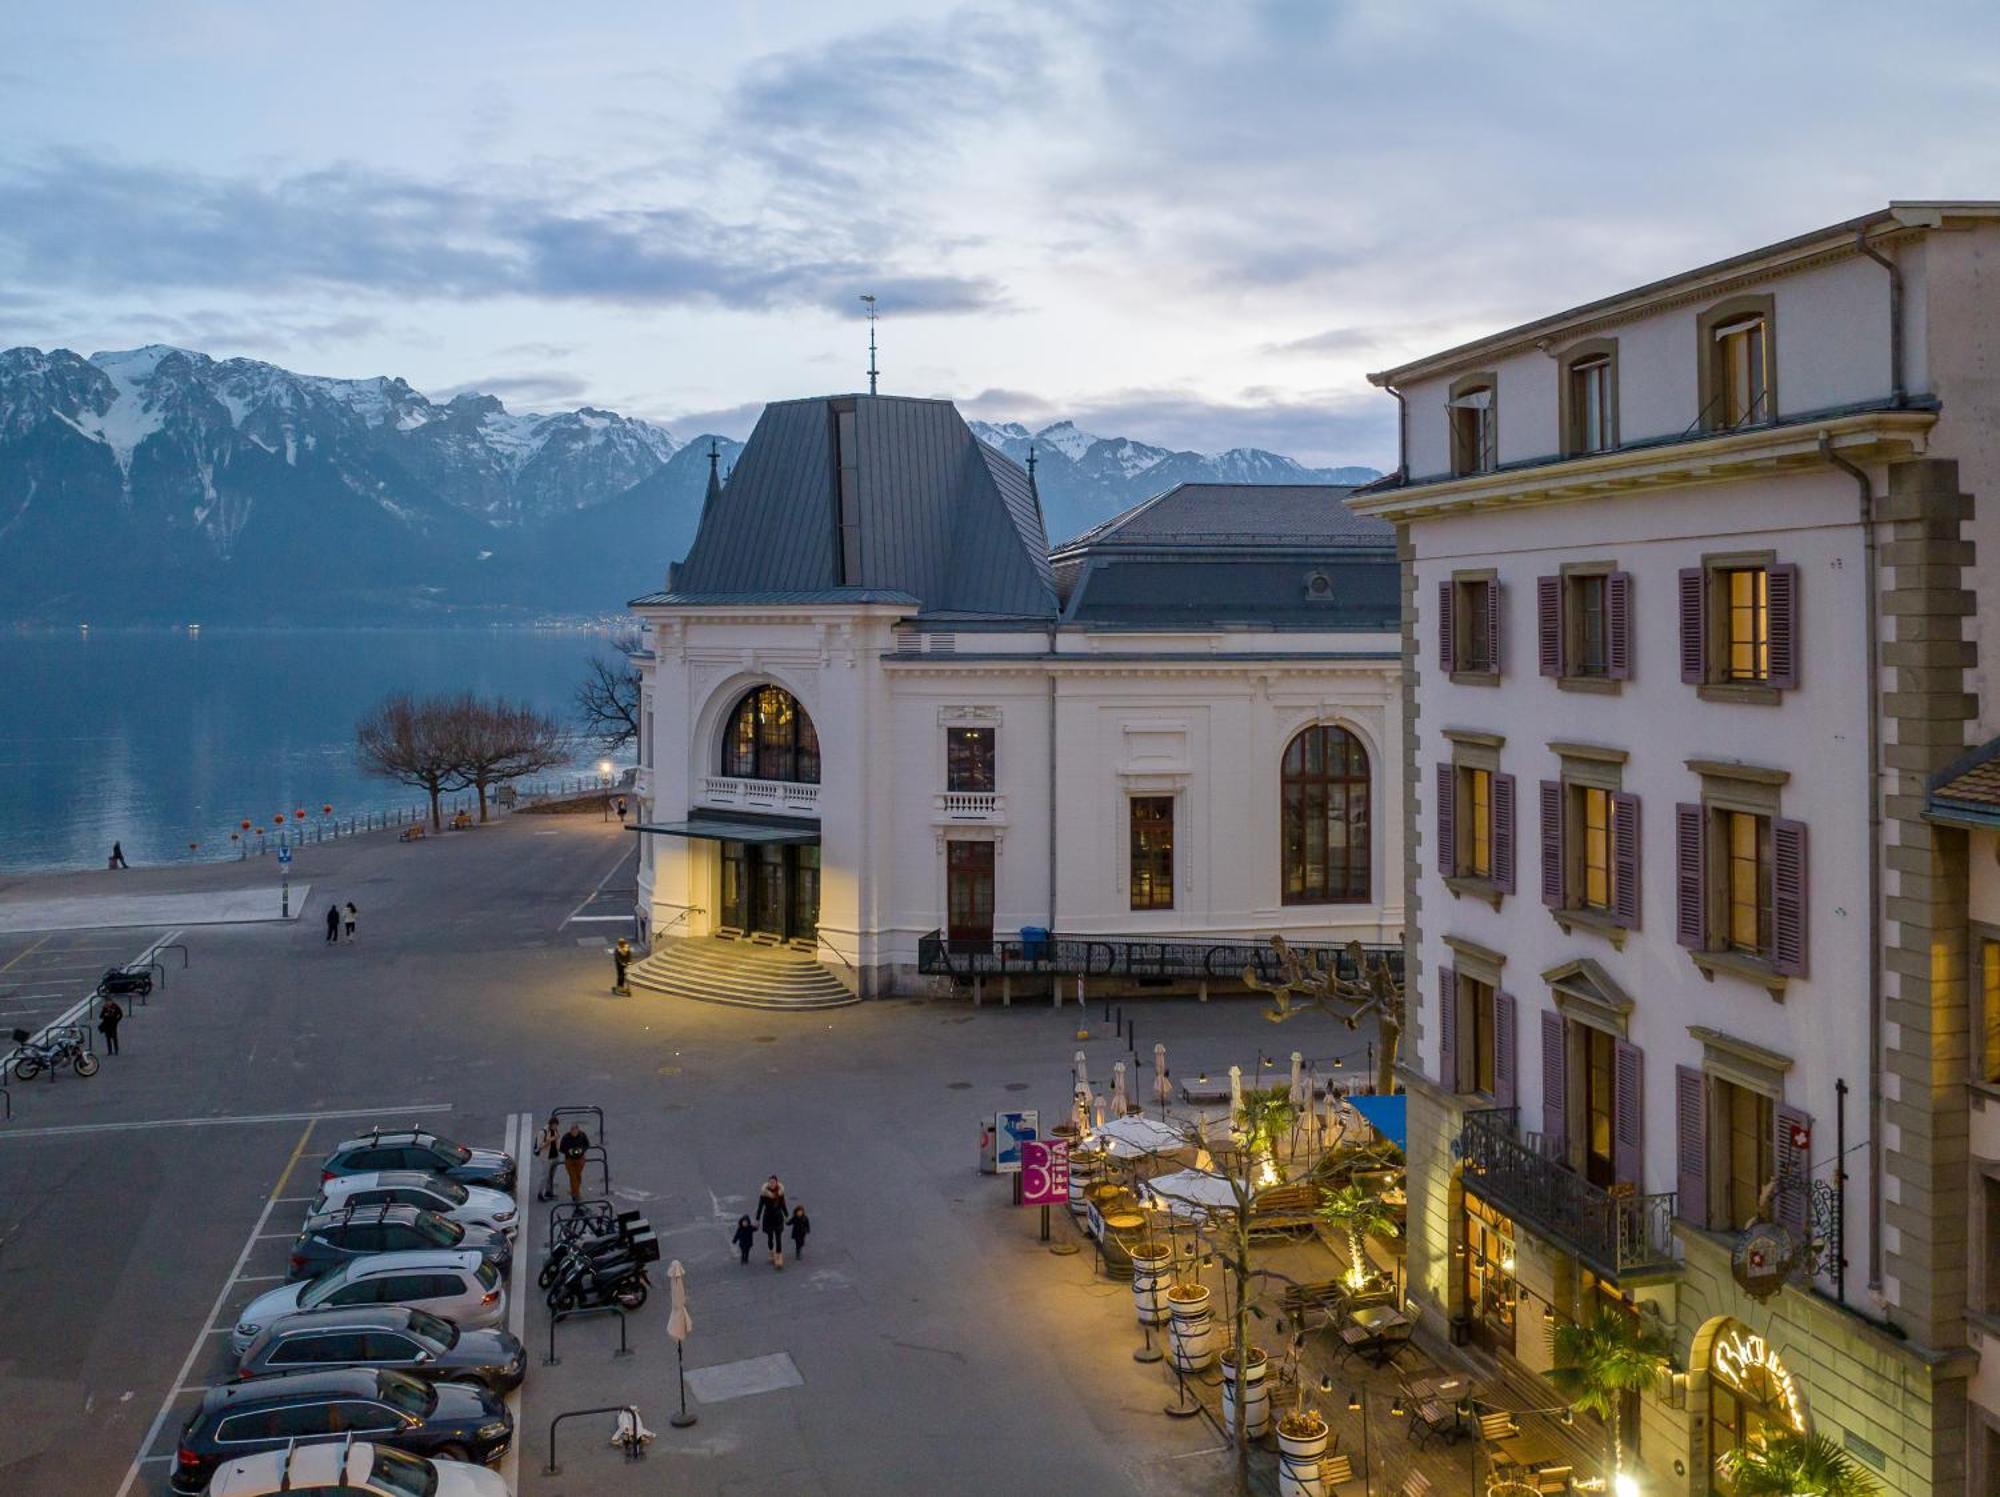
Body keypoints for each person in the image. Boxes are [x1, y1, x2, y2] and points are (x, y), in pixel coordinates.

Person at [755, 1175, 788, 1268]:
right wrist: (757, 1219)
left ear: (777, 1183)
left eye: (774, 1182)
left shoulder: (780, 1193)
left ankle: (779, 1257)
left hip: (778, 1218)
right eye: (770, 1182)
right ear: (768, 1183)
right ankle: (771, 1251)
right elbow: (760, 1207)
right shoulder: (764, 1194)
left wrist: (786, 1215)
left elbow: (783, 1205)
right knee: (770, 1238)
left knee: (778, 1238)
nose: (772, 1183)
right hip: (768, 1218)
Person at [560, 1120, 592, 1201]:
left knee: (578, 1176)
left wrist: (582, 1150)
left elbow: (587, 1144)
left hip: (580, 1159)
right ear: (570, 1131)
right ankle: (576, 1194)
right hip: (569, 1160)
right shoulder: (566, 1137)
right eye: (572, 1131)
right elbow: (561, 1148)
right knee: (573, 1177)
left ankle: (574, 1191)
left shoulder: (582, 1135)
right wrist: (568, 1151)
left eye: (575, 1130)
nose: (574, 1132)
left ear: (578, 1130)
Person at [535, 1115, 561, 1202]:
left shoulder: (556, 1130)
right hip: (546, 1158)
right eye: (554, 1125)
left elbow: (557, 1141)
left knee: (551, 1176)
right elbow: (539, 1146)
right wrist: (549, 1140)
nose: (555, 1127)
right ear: (550, 1124)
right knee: (545, 1176)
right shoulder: (543, 1132)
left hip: (555, 1156)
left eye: (556, 1125)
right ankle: (540, 1194)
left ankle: (549, 1192)